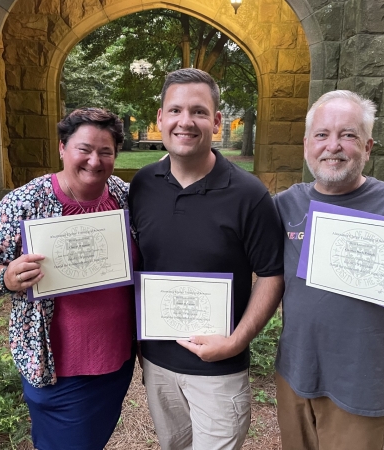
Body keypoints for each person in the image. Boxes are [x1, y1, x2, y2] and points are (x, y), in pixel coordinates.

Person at [273, 90, 384, 450]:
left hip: (359, 381)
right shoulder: (285, 204)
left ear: (368, 147)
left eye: (348, 135)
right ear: (307, 144)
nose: (333, 146)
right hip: (294, 372)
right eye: (322, 135)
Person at [0, 108, 137, 450]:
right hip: (60, 368)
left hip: (115, 360)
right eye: (83, 149)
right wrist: (5, 277)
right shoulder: (25, 202)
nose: (94, 161)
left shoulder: (122, 196)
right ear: (62, 148)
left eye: (106, 151)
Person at [129, 68, 285, 450]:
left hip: (219, 370)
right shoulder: (142, 185)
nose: (186, 121)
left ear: (215, 122)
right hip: (158, 363)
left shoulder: (249, 195)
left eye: (199, 111)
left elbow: (271, 274)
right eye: (176, 110)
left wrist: (235, 342)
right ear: (161, 118)